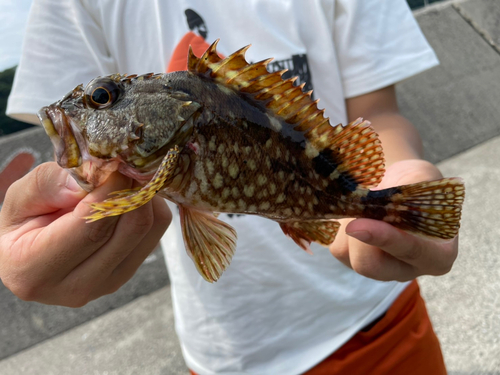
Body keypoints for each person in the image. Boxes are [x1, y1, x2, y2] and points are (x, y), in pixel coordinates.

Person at [1, 1, 458, 374]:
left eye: (102, 98)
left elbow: (380, 115)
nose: (89, 109)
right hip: (229, 355)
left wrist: (398, 183)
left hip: (380, 326)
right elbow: (81, 171)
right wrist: (39, 238)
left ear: (170, 113)